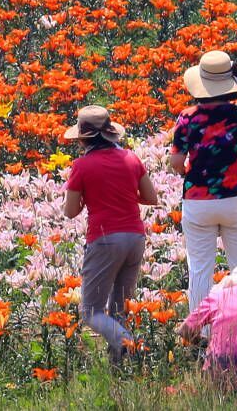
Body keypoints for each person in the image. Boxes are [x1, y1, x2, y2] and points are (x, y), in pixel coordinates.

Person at [170, 50, 237, 316]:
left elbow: (176, 161)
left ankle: (202, 333)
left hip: (198, 201)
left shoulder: (187, 118)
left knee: (200, 269)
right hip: (236, 198)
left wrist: (194, 170)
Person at [62, 105, 159, 363]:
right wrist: (123, 194)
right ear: (110, 133)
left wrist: (89, 199)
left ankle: (132, 346)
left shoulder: (82, 166)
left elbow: (70, 211)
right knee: (119, 310)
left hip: (104, 238)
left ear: (83, 139)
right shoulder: (131, 158)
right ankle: (120, 371)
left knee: (91, 312)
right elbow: (151, 198)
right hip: (135, 238)